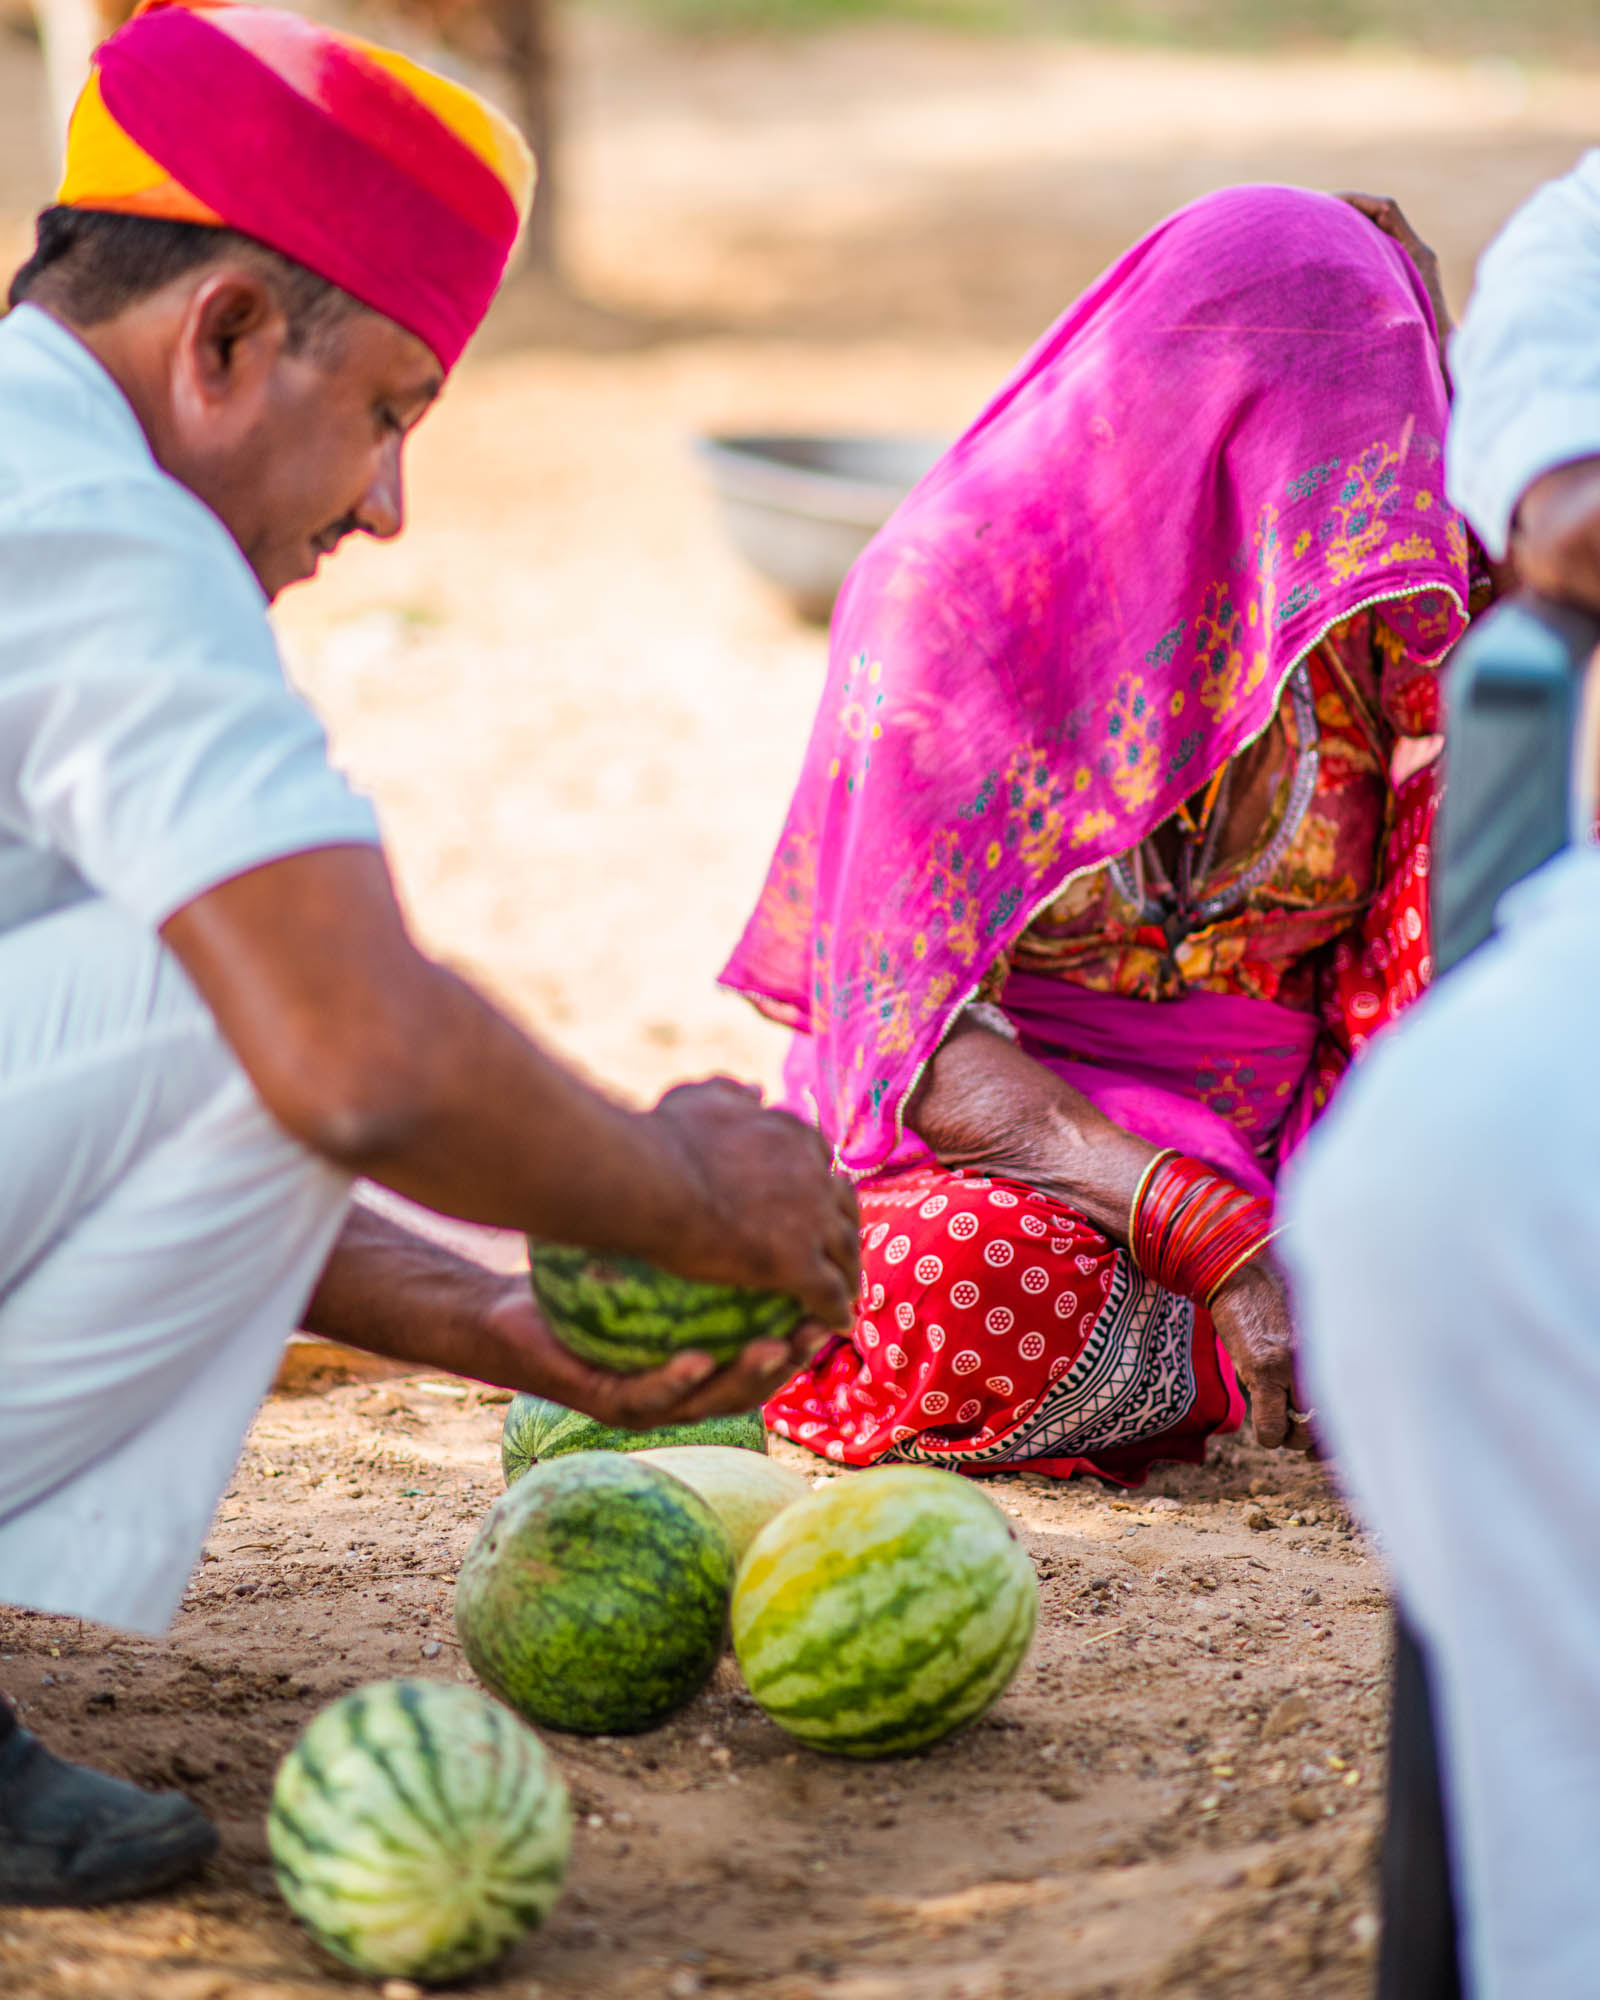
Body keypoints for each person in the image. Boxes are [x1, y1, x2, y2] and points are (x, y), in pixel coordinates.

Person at [0, 0, 857, 1907]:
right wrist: (691, 1205)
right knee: (254, 976)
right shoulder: (89, 527)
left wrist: (482, 1319)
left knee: (228, 967)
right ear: (221, 336)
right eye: (390, 410)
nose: (389, 507)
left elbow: (76, 1104)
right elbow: (350, 1055)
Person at [722, 183, 1490, 1483]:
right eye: (1311, 433)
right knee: (948, 1286)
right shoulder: (950, 610)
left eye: (1383, 427)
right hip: (1039, 1168)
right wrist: (1206, 1230)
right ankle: (1338, 1344)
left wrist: (1444, 361)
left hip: (1317, 1134)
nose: (1355, 482)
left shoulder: (1371, 596)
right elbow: (913, 1048)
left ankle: (1328, 1327)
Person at [1280, 151, 1600, 2000]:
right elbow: (1568, 513)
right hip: (1121, 1167)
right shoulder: (1583, 244)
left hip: (1217, 1151)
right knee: (1424, 1186)